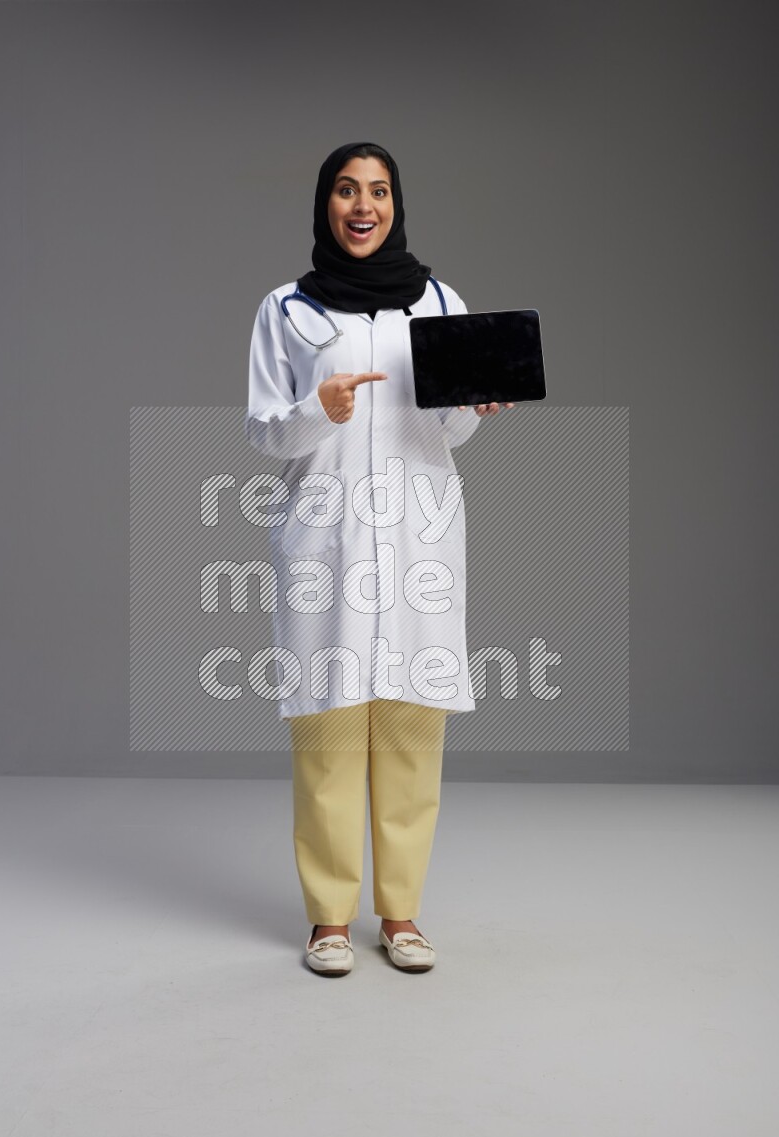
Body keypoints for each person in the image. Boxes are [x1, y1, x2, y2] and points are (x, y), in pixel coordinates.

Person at [246, 141, 513, 976]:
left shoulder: (439, 300)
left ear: (397, 206)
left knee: (407, 725)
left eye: (380, 192)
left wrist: (474, 405)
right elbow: (263, 430)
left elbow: (450, 429)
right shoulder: (287, 311)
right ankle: (329, 917)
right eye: (347, 191)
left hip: (418, 538)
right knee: (326, 728)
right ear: (325, 203)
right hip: (325, 539)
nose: (364, 206)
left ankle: (399, 913)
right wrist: (315, 408)